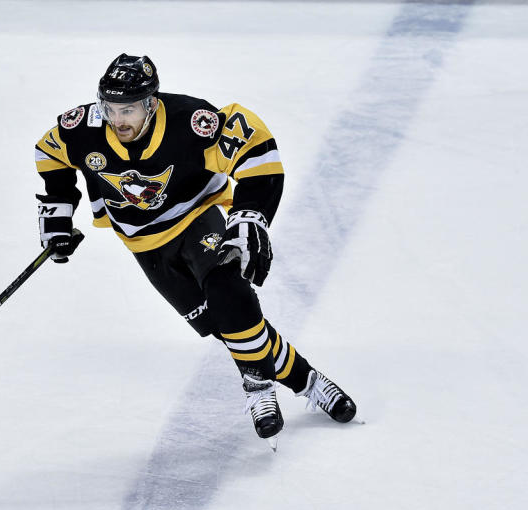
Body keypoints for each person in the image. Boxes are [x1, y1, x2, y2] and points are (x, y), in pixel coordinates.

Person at [33, 53, 357, 445]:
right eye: (111, 108)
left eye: (129, 109)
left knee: (229, 293)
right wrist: (56, 214)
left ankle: (258, 388)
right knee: (225, 326)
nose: (118, 120)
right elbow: (49, 153)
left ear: (151, 104)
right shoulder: (82, 128)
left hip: (198, 217)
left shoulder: (190, 122)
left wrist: (250, 213)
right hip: (144, 242)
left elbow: (256, 149)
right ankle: (308, 380)